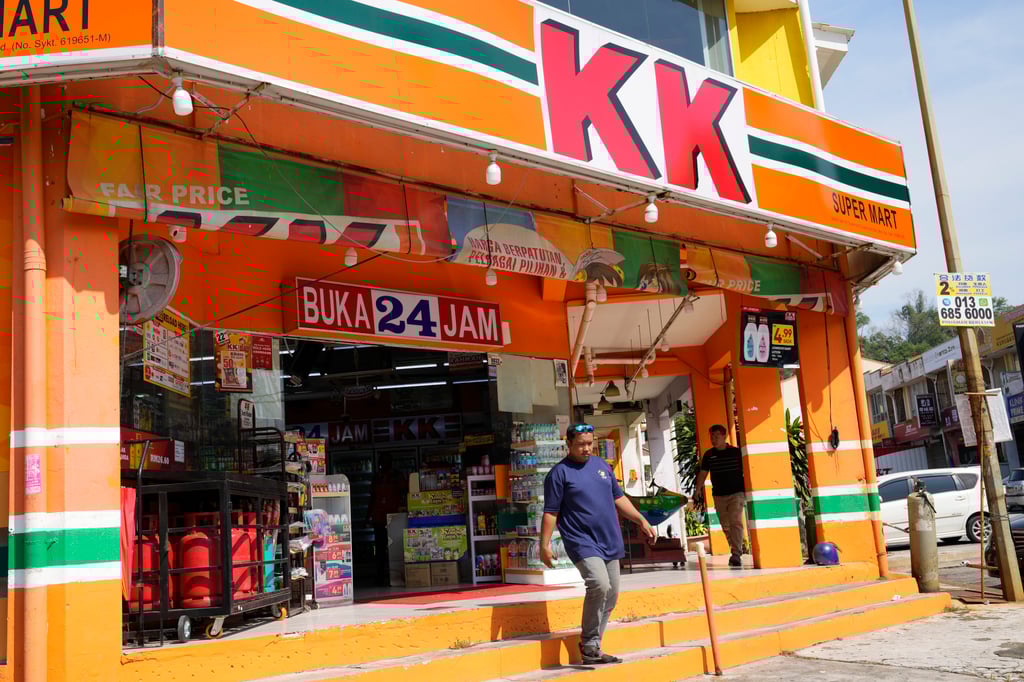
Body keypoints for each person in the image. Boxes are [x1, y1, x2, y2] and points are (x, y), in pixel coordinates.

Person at [540, 423, 656, 665]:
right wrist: (544, 545)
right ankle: (590, 642)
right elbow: (550, 512)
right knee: (599, 584)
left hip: (609, 538)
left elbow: (619, 498)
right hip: (581, 540)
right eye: (581, 444)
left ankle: (592, 647)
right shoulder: (559, 474)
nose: (586, 448)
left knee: (611, 594)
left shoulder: (602, 466)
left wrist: (641, 519)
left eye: (589, 443)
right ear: (568, 444)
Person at [694, 424, 747, 567]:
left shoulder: (736, 453)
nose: (714, 439)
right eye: (712, 436)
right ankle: (735, 548)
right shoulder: (709, 455)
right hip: (719, 495)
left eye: (717, 436)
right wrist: (698, 489)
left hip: (736, 493)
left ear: (724, 436)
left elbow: (747, 469)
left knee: (735, 521)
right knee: (726, 525)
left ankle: (736, 553)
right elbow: (703, 473)